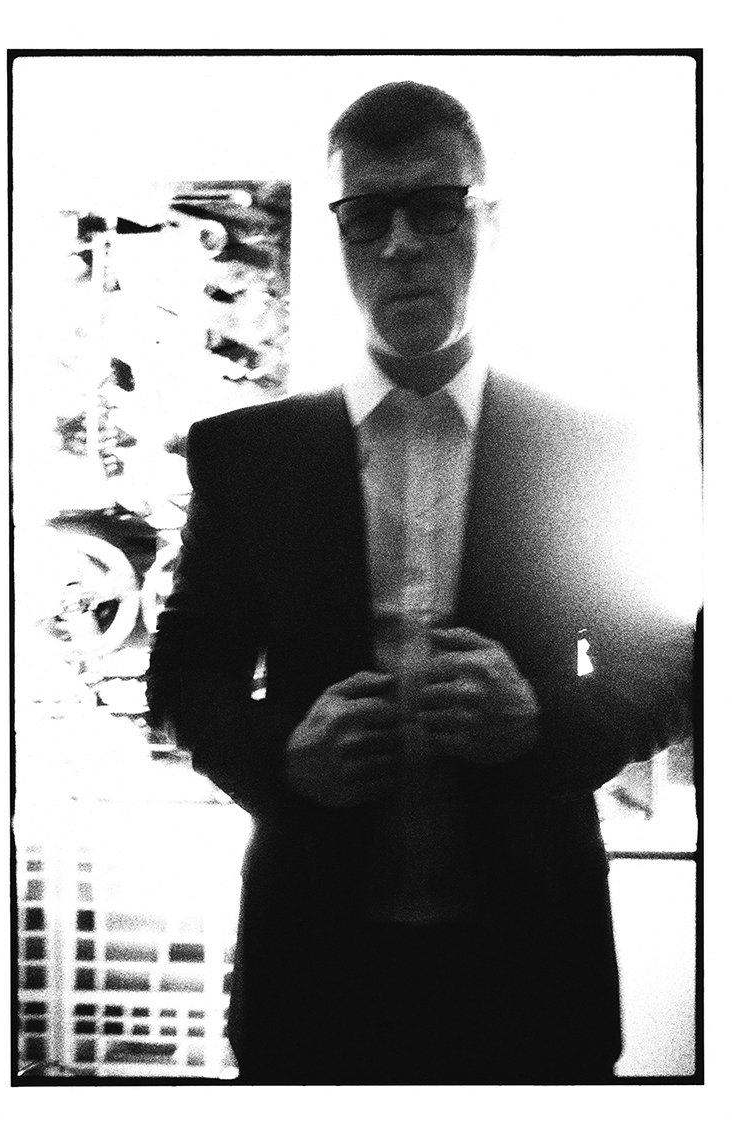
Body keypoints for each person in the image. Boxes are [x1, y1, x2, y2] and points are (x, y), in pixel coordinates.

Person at [147, 80, 693, 1085]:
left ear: (489, 222)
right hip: (313, 977)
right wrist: (283, 756)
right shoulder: (243, 457)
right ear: (340, 238)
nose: (399, 245)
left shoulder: (589, 451)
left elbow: (669, 663)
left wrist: (539, 722)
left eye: (435, 208)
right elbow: (182, 677)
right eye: (366, 217)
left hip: (531, 973)